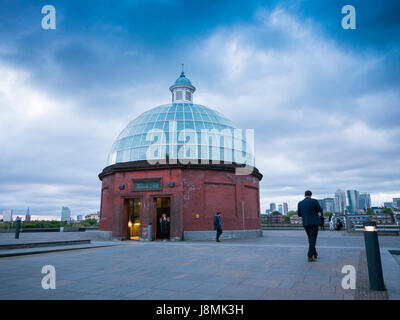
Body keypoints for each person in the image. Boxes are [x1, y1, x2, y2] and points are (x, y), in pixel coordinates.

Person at [297, 190, 323, 262]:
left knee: (310, 238)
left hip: (305, 223)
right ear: (311, 195)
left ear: (304, 195)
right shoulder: (314, 201)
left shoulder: (300, 203)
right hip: (314, 222)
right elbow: (320, 209)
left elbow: (299, 214)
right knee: (313, 239)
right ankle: (310, 255)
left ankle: (314, 253)